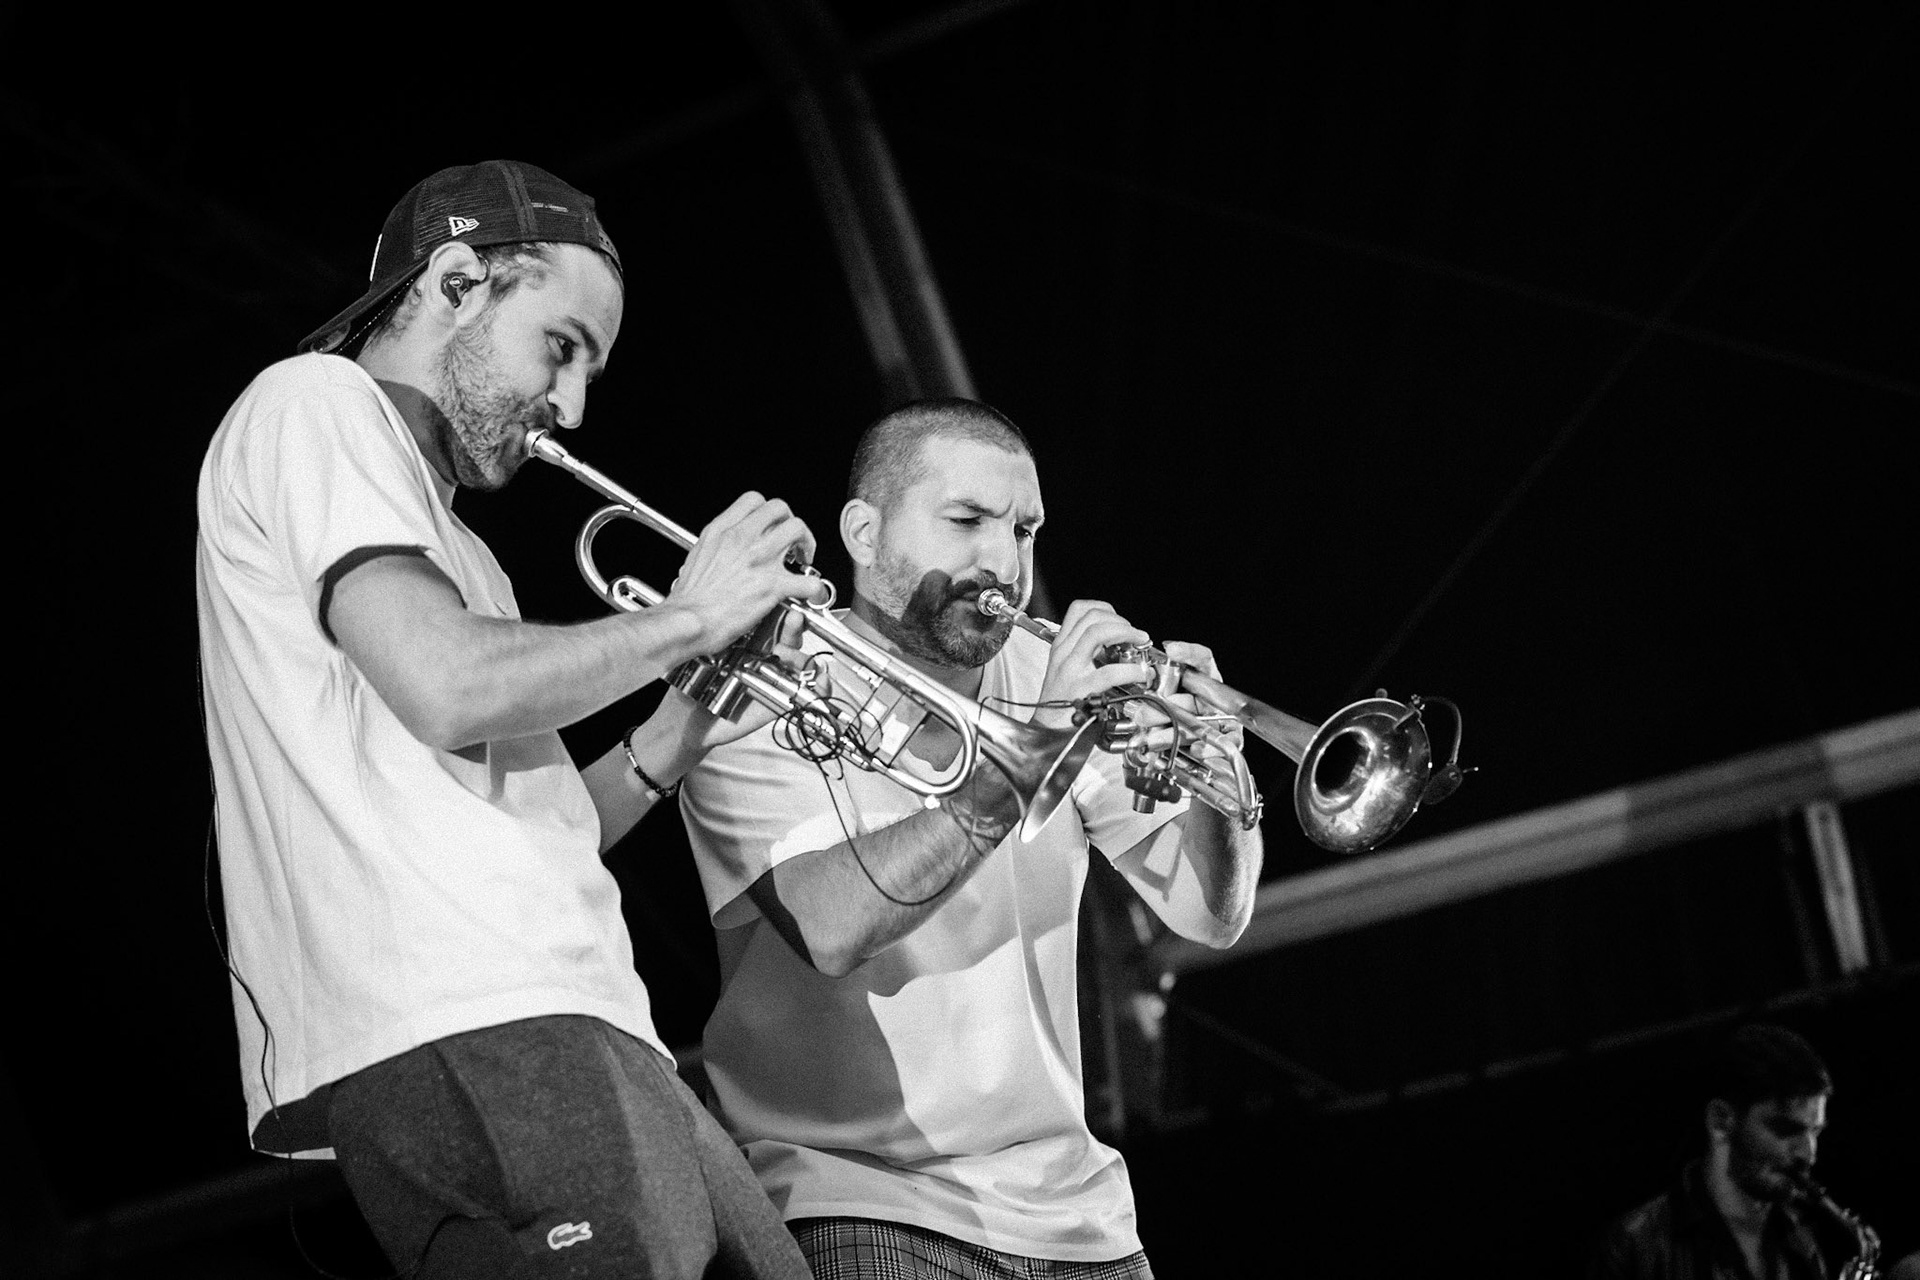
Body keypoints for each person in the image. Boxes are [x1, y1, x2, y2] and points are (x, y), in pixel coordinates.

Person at [195, 159, 826, 1279]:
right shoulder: (314, 403)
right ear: (456, 281)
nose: (571, 406)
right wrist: (690, 615)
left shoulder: (461, 548)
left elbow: (533, 822)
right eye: (560, 346)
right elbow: (447, 682)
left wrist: (683, 719)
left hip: (573, 1012)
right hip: (469, 1012)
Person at [663, 398, 1265, 1278]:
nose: (1005, 564)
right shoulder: (761, 688)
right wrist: (1042, 740)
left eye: (1024, 530)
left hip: (1082, 1216)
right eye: (967, 520)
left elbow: (1210, 915)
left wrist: (1221, 775)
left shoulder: (1052, 679)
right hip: (856, 1192)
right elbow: (831, 927)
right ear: (864, 533)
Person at [1588, 1022, 1873, 1280]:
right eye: (1786, 1130)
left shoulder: (1805, 1238)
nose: (1808, 1155)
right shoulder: (1635, 1246)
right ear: (1721, 1121)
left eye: (1815, 1132)